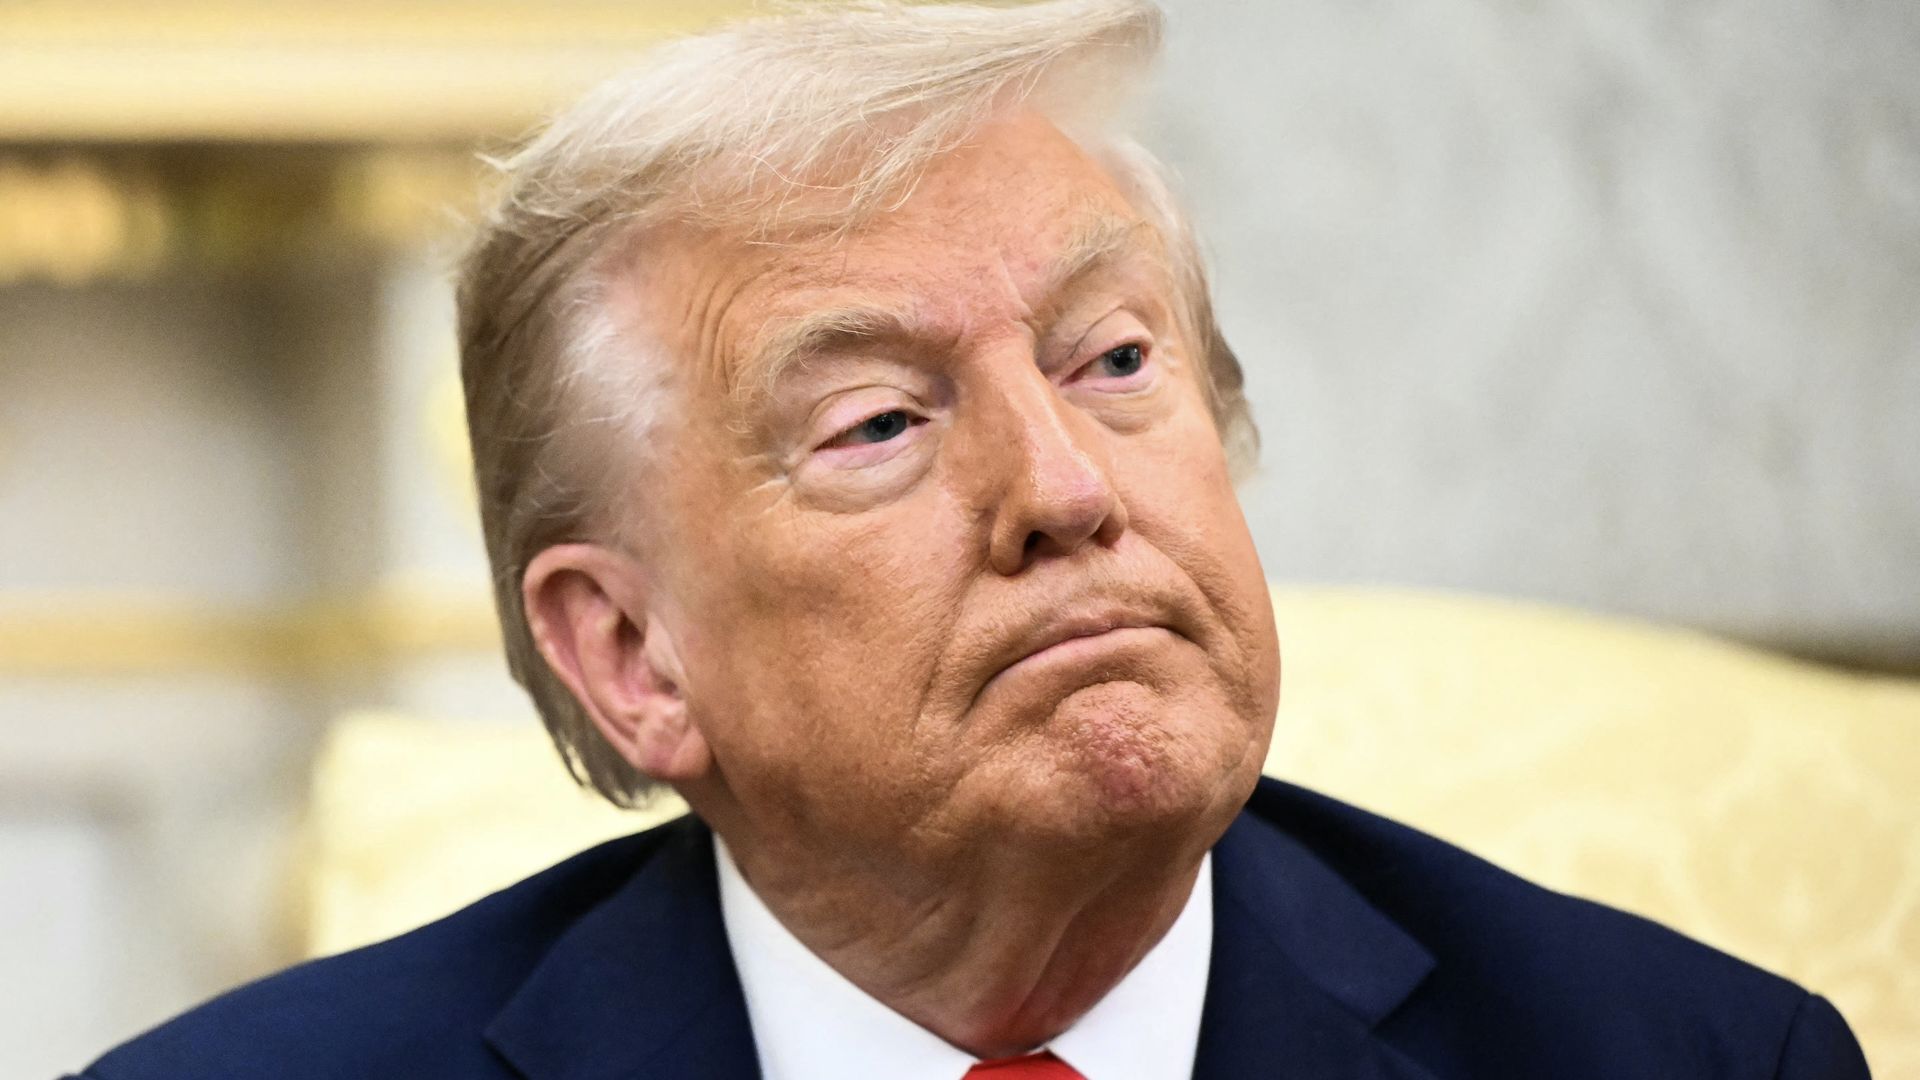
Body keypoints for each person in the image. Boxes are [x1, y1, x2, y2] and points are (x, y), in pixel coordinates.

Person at [68, 2, 1869, 1078]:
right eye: (877, 424)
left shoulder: (1684, 1062)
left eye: (1113, 361)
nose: (1068, 489)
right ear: (631, 655)